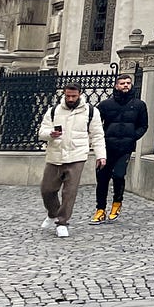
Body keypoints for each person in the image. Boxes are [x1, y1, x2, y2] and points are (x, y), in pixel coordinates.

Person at [37, 82, 106, 238]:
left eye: (73, 96)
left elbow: (97, 135)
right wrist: (50, 134)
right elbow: (42, 132)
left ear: (80, 94)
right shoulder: (53, 111)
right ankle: (53, 212)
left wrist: (101, 155)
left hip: (77, 155)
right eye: (68, 95)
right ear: (64, 93)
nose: (70, 98)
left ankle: (62, 222)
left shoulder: (91, 112)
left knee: (70, 192)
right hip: (55, 154)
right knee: (47, 189)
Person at [92, 72, 148, 223]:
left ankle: (117, 203)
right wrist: (101, 139)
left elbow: (143, 125)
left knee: (118, 175)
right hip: (107, 146)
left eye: (128, 83)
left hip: (126, 147)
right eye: (122, 83)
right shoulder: (105, 105)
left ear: (131, 85)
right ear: (116, 86)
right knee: (102, 178)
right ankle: (100, 209)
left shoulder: (139, 105)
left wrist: (132, 136)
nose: (125, 86)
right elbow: (95, 124)